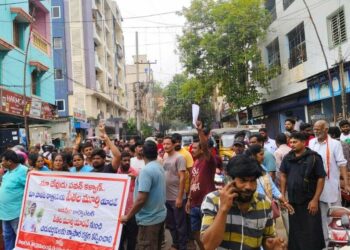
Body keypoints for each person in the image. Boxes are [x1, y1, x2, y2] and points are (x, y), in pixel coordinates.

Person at [200, 155, 286, 250]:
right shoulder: (213, 200)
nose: (248, 186)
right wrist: (223, 210)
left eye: (253, 181)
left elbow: (267, 237)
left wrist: (271, 244)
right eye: (243, 180)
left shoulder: (264, 203)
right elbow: (208, 245)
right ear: (230, 180)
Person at [280, 132, 326, 250]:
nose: (292, 145)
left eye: (295, 142)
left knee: (311, 231)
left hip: (309, 202)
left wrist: (315, 200)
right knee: (296, 231)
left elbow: (321, 178)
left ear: (303, 142)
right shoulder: (288, 158)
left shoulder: (314, 158)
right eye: (290, 142)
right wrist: (283, 196)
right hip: (293, 202)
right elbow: (283, 176)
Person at [309, 120, 350, 246]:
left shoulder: (335, 144)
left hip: (330, 185)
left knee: (333, 215)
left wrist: (347, 184)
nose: (316, 131)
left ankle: (336, 242)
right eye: (314, 129)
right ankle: (325, 243)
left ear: (326, 130)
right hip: (315, 186)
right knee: (320, 216)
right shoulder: (311, 143)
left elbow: (342, 164)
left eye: (318, 129)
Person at [121, 141, 166, 250]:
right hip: (159, 216)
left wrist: (127, 216)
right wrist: (137, 178)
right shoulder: (158, 166)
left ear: (142, 154)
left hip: (148, 220)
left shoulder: (146, 170)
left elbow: (141, 199)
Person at [185, 121, 216, 250]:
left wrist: (199, 131)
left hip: (206, 204)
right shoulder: (195, 163)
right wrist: (188, 200)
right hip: (193, 205)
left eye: (195, 148)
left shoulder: (209, 161)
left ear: (203, 149)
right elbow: (193, 182)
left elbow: (204, 145)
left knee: (207, 234)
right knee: (195, 232)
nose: (192, 150)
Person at [163, 135, 187, 250]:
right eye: (164, 144)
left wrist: (179, 197)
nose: (165, 146)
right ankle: (175, 244)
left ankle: (182, 246)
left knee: (180, 225)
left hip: (176, 197)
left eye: (168, 144)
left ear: (173, 144)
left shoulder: (180, 158)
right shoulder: (165, 157)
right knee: (171, 224)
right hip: (166, 197)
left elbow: (183, 178)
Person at [0, 150, 28, 250]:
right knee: (7, 237)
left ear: (9, 161)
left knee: (20, 238)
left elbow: (30, 188)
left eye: (3, 161)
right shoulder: (8, 172)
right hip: (5, 214)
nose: (1, 163)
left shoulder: (24, 171)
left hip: (16, 213)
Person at [118, 152, 139, 250]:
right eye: (124, 160)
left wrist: (136, 179)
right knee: (120, 237)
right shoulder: (117, 172)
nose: (127, 162)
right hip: (120, 211)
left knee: (132, 237)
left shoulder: (134, 173)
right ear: (120, 161)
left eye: (128, 161)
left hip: (132, 211)